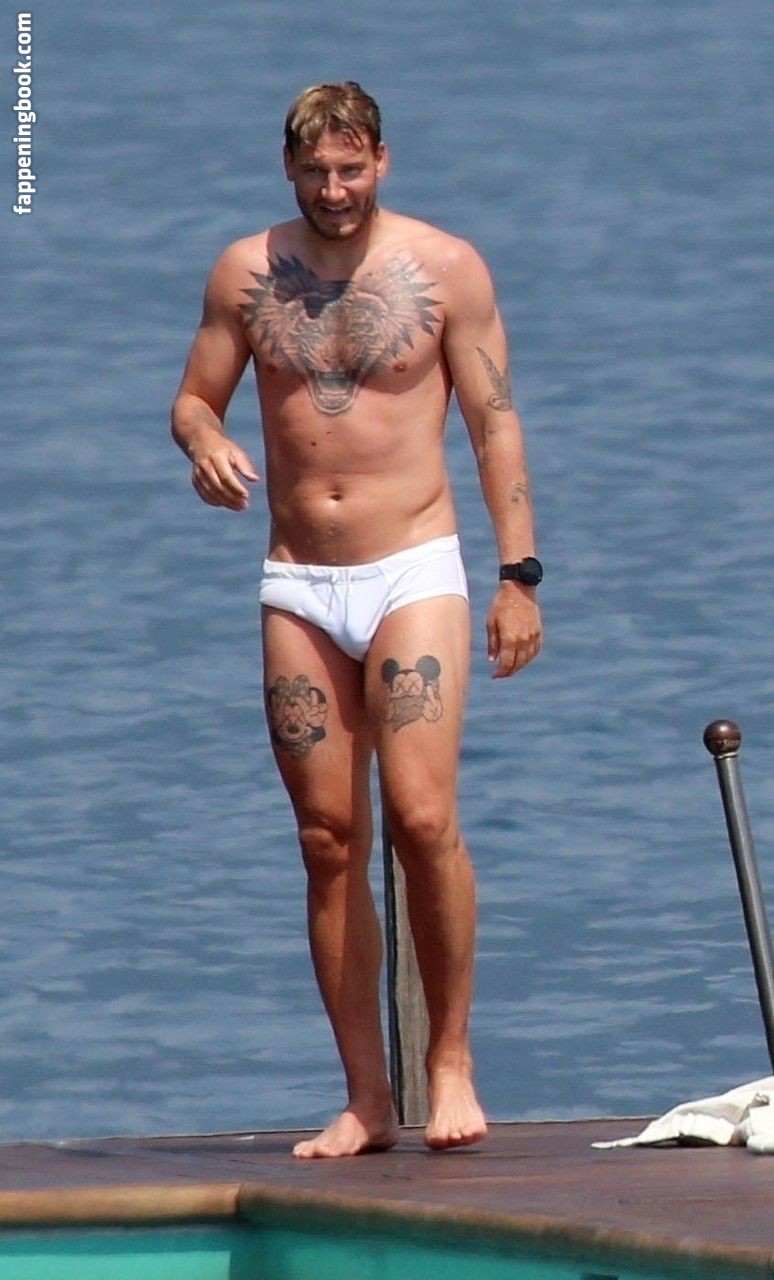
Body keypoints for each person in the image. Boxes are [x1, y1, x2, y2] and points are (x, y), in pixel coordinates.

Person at [170, 82, 544, 1156]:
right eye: (314, 172)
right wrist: (203, 441)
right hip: (299, 579)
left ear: (381, 160)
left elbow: (495, 425)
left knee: (421, 819)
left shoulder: (446, 267)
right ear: (289, 170)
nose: (333, 190)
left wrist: (519, 576)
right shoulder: (245, 271)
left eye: (350, 169)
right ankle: (367, 1097)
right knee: (327, 839)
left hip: (412, 567)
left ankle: (451, 1061)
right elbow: (194, 398)